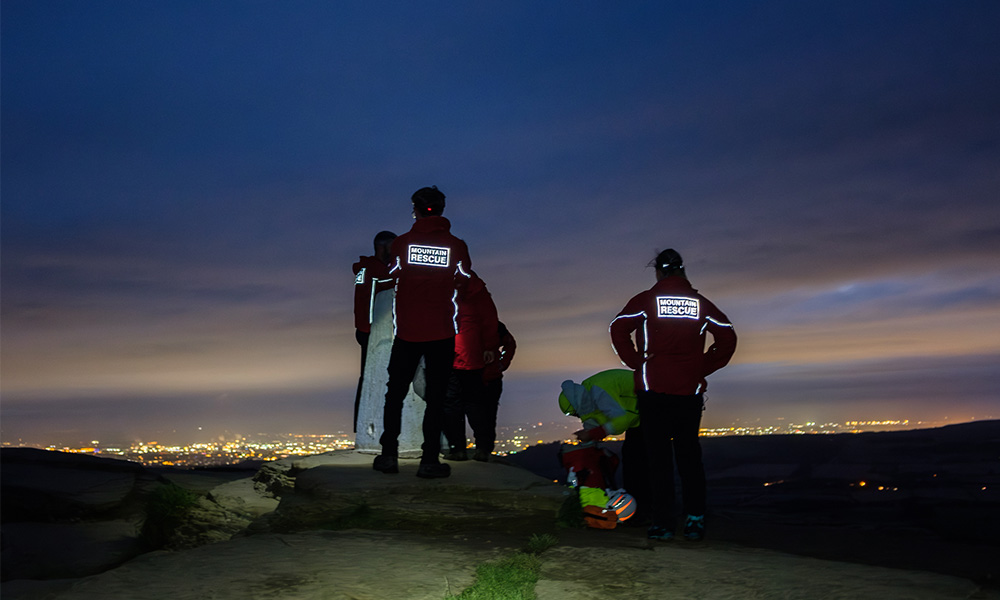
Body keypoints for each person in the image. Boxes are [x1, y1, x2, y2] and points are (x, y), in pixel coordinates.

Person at [609, 248, 737, 541]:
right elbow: (727, 335)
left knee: (659, 460)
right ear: (682, 270)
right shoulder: (700, 304)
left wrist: (636, 361)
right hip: (688, 393)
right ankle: (694, 519)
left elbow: (618, 328)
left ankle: (663, 523)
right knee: (690, 457)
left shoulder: (646, 301)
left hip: (653, 389)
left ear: (658, 271)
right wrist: (703, 366)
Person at [374, 186, 473, 479]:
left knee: (395, 393)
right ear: (442, 210)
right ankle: (429, 460)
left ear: (415, 210)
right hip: (441, 331)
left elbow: (390, 274)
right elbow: (465, 281)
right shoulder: (456, 246)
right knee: (437, 396)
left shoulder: (403, 243)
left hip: (407, 332)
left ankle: (389, 455)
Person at [558, 369, 647, 515]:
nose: (576, 416)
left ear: (575, 405)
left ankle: (643, 512)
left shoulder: (598, 390)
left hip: (650, 409)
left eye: (574, 413)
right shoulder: (585, 397)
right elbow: (592, 420)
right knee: (632, 459)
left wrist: (594, 433)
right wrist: (588, 437)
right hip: (640, 417)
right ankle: (639, 510)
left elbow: (621, 421)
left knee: (637, 462)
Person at [442, 273, 499, 462]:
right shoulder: (474, 285)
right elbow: (489, 317)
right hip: (470, 352)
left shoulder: (437, 276)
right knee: (474, 403)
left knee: (452, 404)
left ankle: (459, 449)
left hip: (446, 350)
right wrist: (489, 345)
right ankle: (482, 448)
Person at [352, 230, 396, 432]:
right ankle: (370, 426)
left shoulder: (365, 269)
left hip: (364, 329)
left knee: (366, 378)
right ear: (383, 247)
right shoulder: (377, 271)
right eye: (392, 247)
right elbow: (389, 286)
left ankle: (362, 426)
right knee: (375, 379)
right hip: (373, 331)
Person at [476, 321, 515, 460]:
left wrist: (502, 364)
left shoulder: (496, 326)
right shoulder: (463, 321)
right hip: (472, 375)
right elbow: (510, 344)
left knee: (487, 414)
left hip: (489, 377)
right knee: (484, 413)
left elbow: (510, 343)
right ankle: (482, 449)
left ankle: (483, 449)